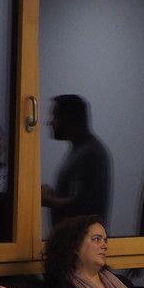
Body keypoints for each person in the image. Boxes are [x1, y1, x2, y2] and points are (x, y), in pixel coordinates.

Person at [41, 95, 111, 227]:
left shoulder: (90, 153)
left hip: (81, 238)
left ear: (70, 119)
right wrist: (53, 195)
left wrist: (48, 200)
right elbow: (76, 196)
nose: (50, 122)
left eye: (55, 116)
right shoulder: (80, 150)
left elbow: (82, 206)